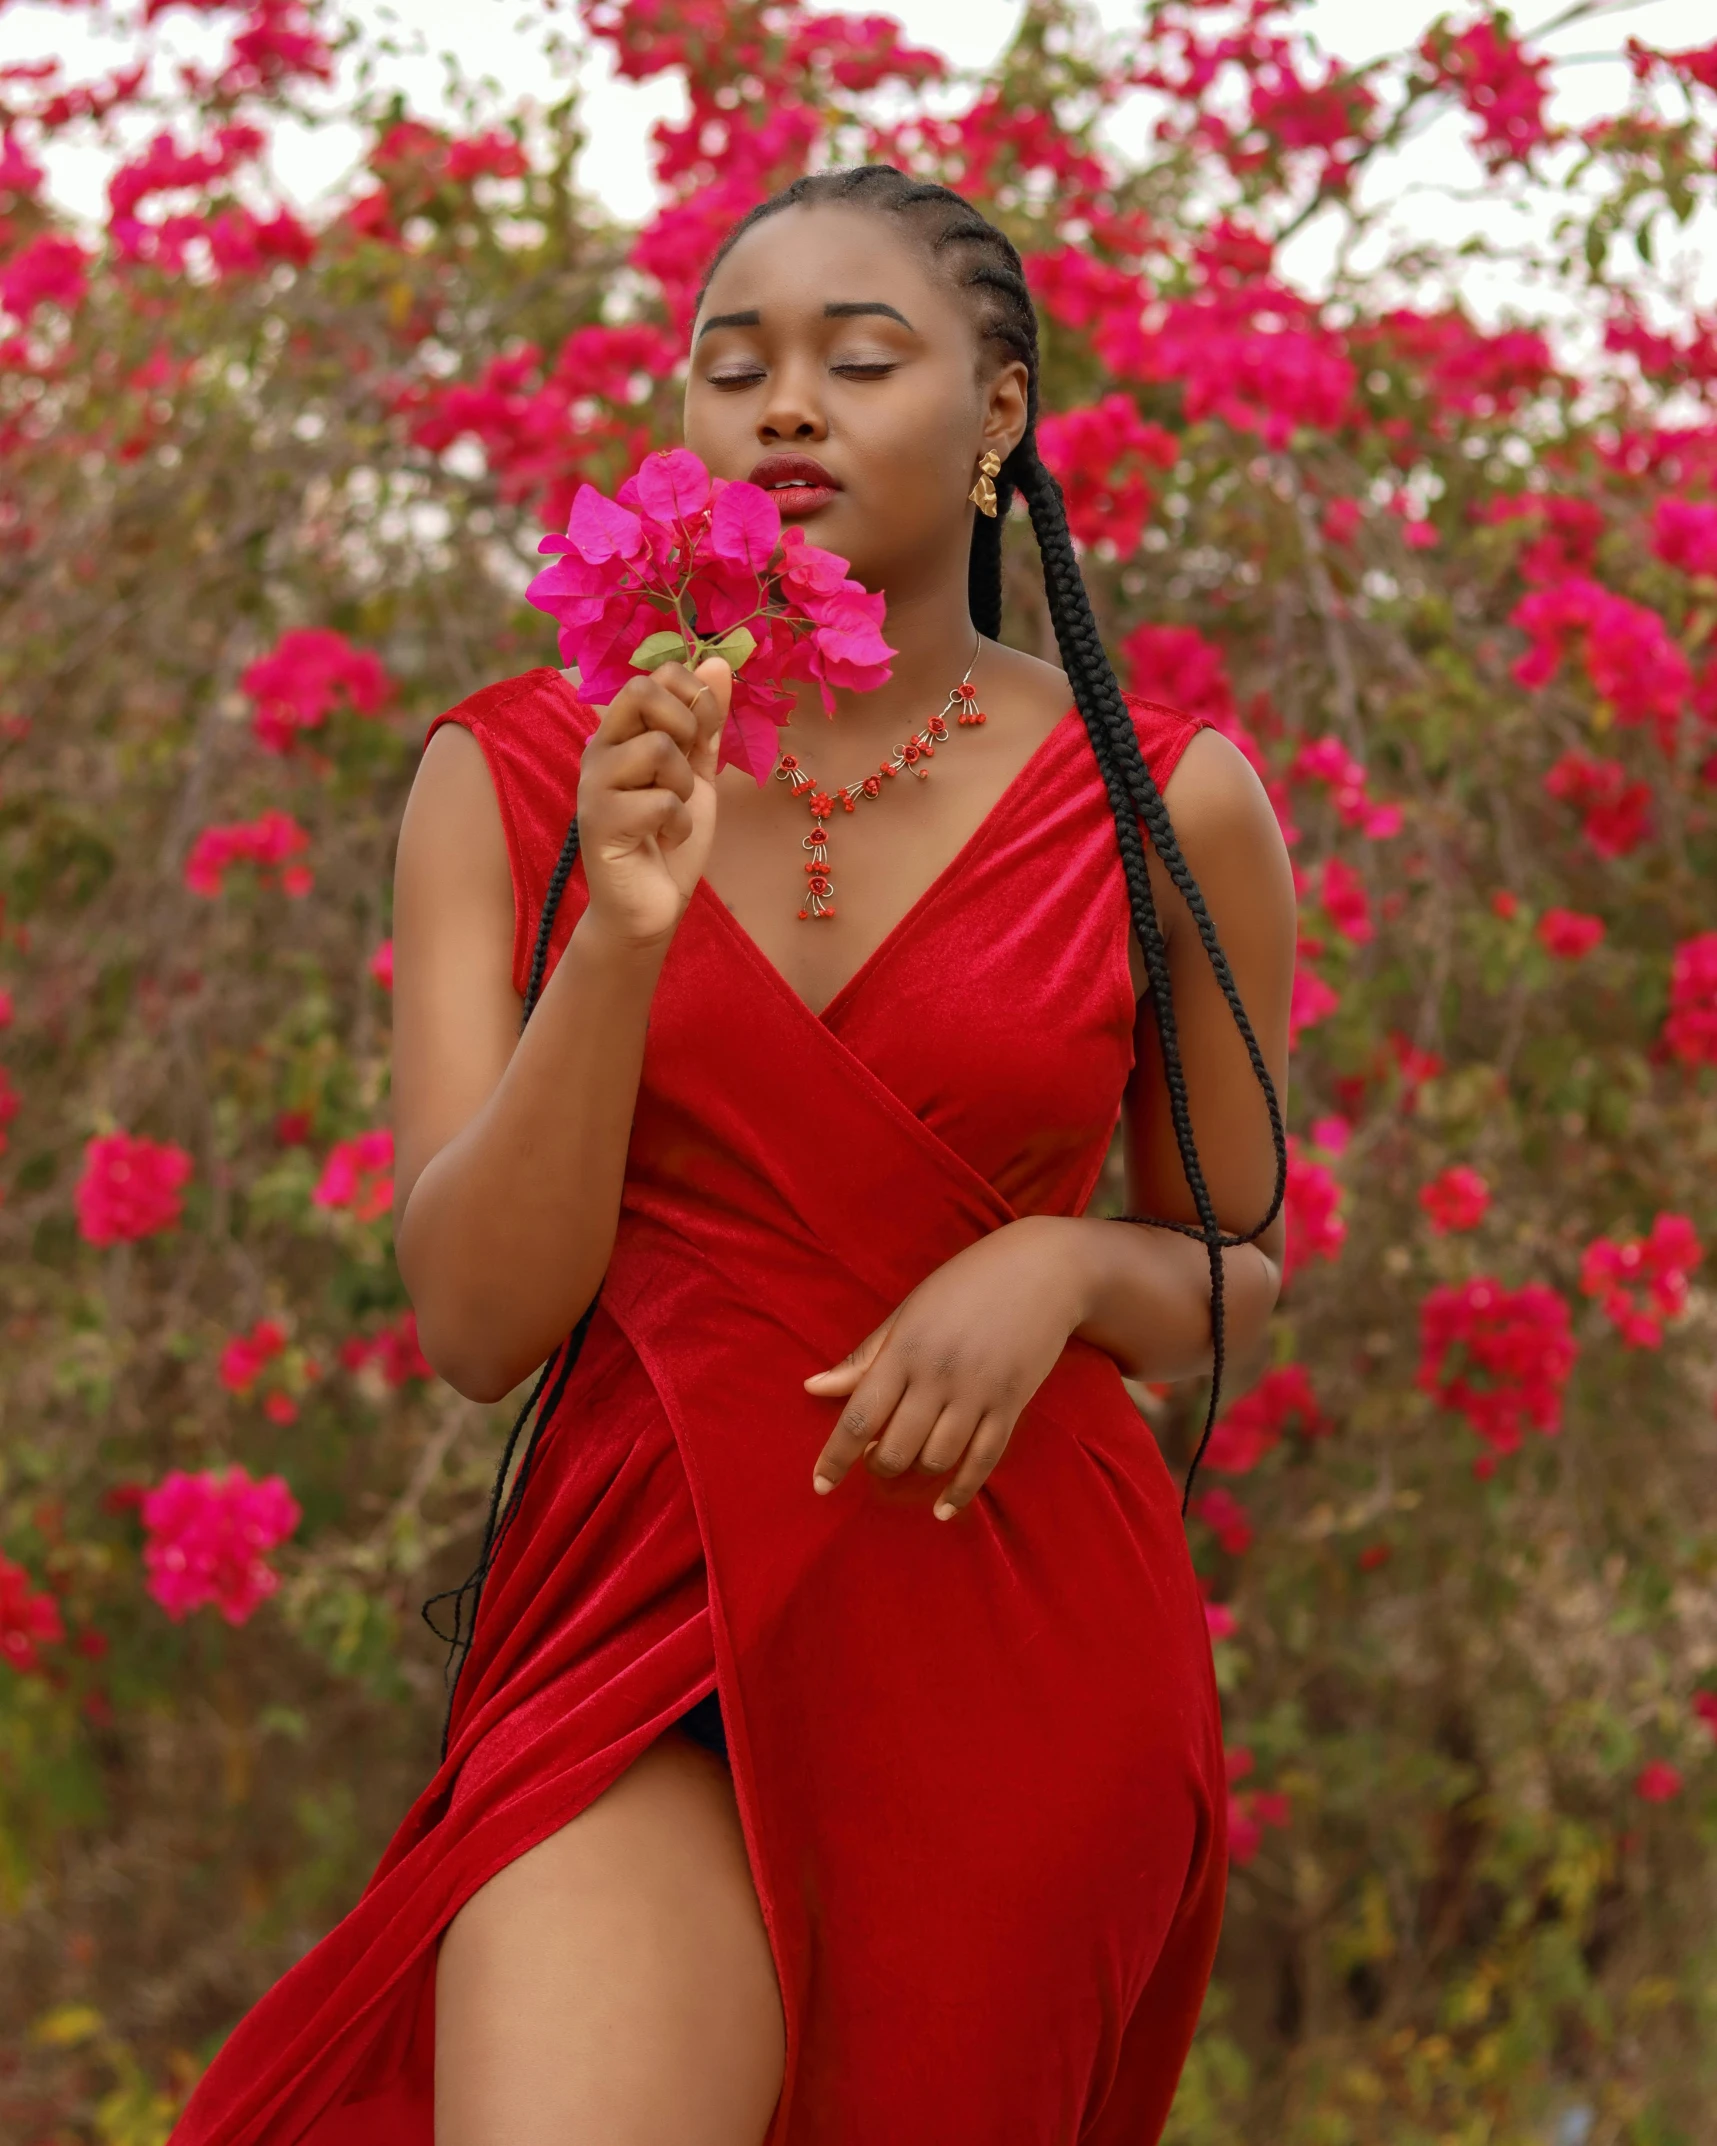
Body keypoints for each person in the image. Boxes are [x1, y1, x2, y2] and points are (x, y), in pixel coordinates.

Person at [172, 166, 1296, 2146]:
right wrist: (620, 929)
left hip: (1015, 1639)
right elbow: (478, 1315)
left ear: (1001, 423)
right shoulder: (513, 773)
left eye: (860, 361)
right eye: (734, 366)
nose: (785, 404)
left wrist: (1057, 1270)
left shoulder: (1166, 796)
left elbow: (1234, 1263)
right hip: (631, 1622)